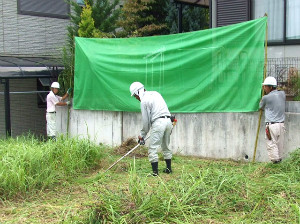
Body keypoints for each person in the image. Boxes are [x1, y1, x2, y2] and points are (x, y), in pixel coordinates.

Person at [130, 82, 173, 176]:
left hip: (158, 123)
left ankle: (155, 173)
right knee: (166, 146)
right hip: (168, 121)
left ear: (138, 92)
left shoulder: (144, 101)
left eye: (135, 96)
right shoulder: (156, 93)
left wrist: (142, 135)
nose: (136, 98)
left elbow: (146, 122)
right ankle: (169, 169)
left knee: (152, 148)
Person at [259, 76, 286, 164]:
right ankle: (280, 162)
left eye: (265, 86)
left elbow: (260, 107)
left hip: (271, 126)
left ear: (270, 87)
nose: (264, 88)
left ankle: (275, 164)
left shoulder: (266, 98)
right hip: (281, 125)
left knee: (271, 144)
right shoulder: (282, 94)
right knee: (279, 145)